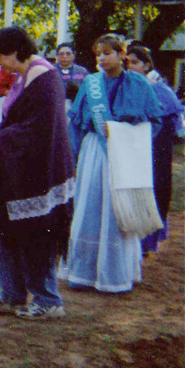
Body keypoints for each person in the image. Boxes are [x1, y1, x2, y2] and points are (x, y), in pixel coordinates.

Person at [0, 27, 75, 321]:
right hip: (15, 170)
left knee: (37, 233)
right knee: (6, 230)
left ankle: (48, 299)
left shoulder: (46, 79)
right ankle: (11, 293)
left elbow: (41, 129)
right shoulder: (24, 76)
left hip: (39, 173)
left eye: (0, 56)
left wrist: (1, 137)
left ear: (16, 51)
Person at [62, 34, 162, 293]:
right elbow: (76, 123)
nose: (102, 58)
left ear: (122, 55)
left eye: (107, 53)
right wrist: (74, 156)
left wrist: (125, 136)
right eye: (98, 54)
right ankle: (83, 273)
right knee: (89, 205)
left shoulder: (138, 83)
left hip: (124, 153)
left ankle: (115, 274)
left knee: (116, 208)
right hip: (95, 150)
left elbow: (154, 122)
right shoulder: (90, 83)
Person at [126, 44, 184, 256]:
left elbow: (167, 122)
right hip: (134, 146)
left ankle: (147, 241)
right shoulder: (127, 84)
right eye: (127, 62)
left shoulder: (159, 88)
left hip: (155, 148)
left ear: (147, 64)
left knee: (154, 187)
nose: (130, 66)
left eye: (135, 62)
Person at [54, 43, 89, 109]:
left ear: (74, 55)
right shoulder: (51, 71)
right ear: (57, 56)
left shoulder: (82, 71)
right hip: (56, 105)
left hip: (77, 105)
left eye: (68, 54)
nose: (65, 56)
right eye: (61, 54)